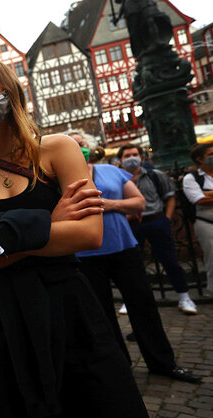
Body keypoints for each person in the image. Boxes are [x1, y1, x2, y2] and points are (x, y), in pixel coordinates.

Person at [0, 56, 146, 416]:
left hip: (66, 301)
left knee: (105, 399)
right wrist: (49, 221)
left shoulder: (57, 149)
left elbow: (90, 234)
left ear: (10, 92)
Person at [72, 135, 201, 384]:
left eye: (81, 143)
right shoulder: (57, 179)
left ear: (89, 147)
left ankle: (162, 362)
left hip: (123, 248)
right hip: (86, 255)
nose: (77, 148)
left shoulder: (110, 170)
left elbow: (139, 202)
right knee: (102, 314)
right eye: (71, 144)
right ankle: (119, 367)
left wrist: (110, 204)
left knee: (144, 307)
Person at [117, 144, 198, 314]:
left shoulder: (155, 175)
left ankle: (184, 297)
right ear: (120, 160)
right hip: (131, 225)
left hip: (155, 220)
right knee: (131, 265)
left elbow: (170, 197)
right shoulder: (118, 178)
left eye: (134, 154)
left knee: (169, 259)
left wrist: (166, 219)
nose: (131, 158)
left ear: (141, 157)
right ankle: (130, 299)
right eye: (127, 155)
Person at [183, 142, 213, 293]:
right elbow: (198, 200)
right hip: (207, 223)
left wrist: (208, 194)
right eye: (211, 154)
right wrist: (204, 196)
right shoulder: (191, 178)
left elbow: (204, 197)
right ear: (200, 159)